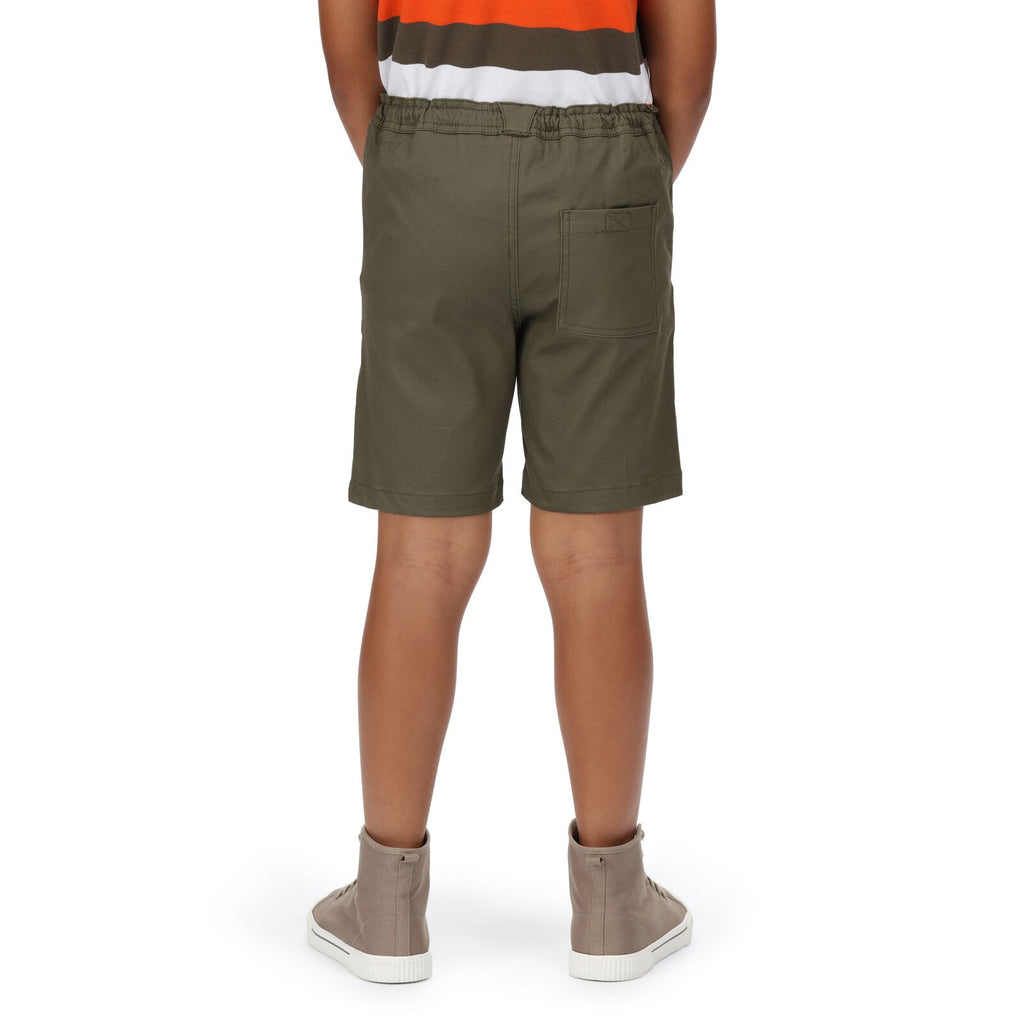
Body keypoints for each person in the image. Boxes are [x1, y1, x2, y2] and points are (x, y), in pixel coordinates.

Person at [307, 0, 716, 984]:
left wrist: (417, 164)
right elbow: (689, 60)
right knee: (595, 553)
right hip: (603, 158)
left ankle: (386, 905)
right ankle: (613, 904)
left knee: (420, 551)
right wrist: (624, 169)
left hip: (428, 168)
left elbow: (345, 45)